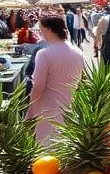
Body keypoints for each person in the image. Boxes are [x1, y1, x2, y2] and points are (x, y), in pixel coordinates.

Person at [26, 14, 87, 143]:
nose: (40, 32)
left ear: (48, 29)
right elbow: (82, 81)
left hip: (47, 108)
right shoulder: (78, 52)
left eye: (41, 29)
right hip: (69, 106)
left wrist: (30, 111)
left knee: (47, 152)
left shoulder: (44, 54)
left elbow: (38, 86)